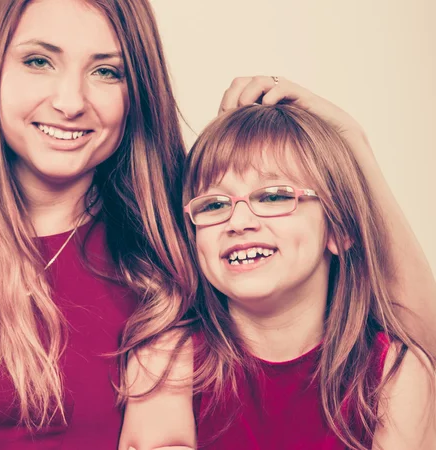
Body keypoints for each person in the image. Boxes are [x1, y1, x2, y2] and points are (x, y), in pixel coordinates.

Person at [0, 0, 435, 447]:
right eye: (39, 61)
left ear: (137, 89)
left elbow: (418, 345)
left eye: (107, 71)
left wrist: (352, 148)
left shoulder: (180, 231)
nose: (70, 100)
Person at [119, 101, 436, 449]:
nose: (238, 222)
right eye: (214, 205)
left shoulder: (396, 371)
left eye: (273, 197)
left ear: (340, 229)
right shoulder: (166, 361)